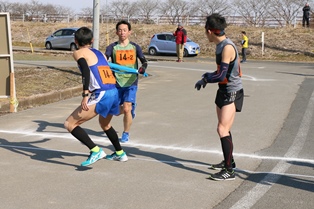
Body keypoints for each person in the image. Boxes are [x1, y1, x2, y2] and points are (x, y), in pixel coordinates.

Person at [64, 27, 128, 166]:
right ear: (92, 40)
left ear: (75, 41)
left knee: (70, 124)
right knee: (105, 124)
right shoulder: (100, 53)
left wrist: (85, 95)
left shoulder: (78, 53)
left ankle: (95, 150)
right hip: (113, 91)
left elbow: (85, 72)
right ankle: (120, 153)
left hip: (102, 93)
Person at [194, 13, 244, 181]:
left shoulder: (227, 47)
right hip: (223, 90)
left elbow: (222, 75)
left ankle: (229, 171)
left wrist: (207, 78)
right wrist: (206, 78)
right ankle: (229, 161)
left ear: (209, 31)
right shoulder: (220, 45)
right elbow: (220, 73)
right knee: (224, 129)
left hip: (232, 91)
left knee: (222, 129)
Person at [105, 20, 148, 143]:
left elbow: (144, 61)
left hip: (131, 81)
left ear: (129, 32)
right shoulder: (112, 47)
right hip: (117, 82)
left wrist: (142, 68)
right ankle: (131, 108)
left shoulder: (135, 47)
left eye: (124, 30)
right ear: (116, 32)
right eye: (120, 30)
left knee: (127, 108)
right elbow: (105, 57)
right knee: (117, 111)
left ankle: (126, 133)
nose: (122, 32)